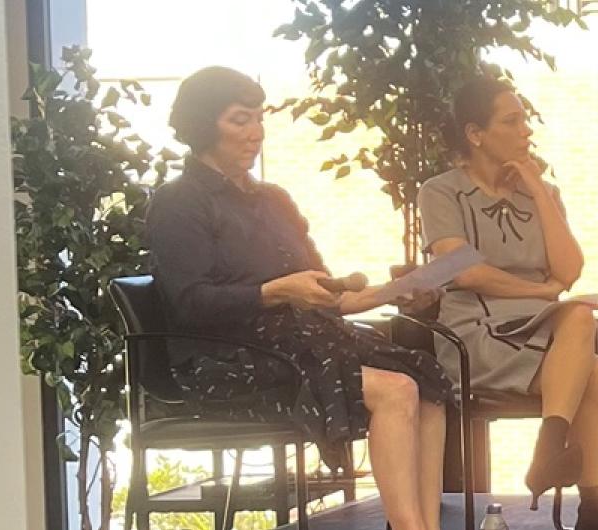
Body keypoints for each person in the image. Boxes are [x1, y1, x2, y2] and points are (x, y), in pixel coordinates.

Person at [145, 66, 453, 530]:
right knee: (396, 388)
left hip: (296, 341)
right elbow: (190, 304)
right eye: (240, 120)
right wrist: (275, 292)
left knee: (426, 381)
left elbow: (325, 295)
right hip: (224, 356)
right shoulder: (177, 201)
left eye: (258, 119)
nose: (256, 133)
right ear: (203, 125)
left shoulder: (274, 200)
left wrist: (395, 293)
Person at [417, 78, 598, 529]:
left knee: (581, 324)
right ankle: (594, 507)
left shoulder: (541, 192)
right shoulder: (441, 191)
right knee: (592, 367)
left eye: (525, 118)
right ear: (476, 134)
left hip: (547, 327)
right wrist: (541, 291)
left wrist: (534, 181)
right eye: (512, 120)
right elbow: (464, 272)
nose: (526, 129)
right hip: (476, 328)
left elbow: (568, 272)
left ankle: (551, 450)